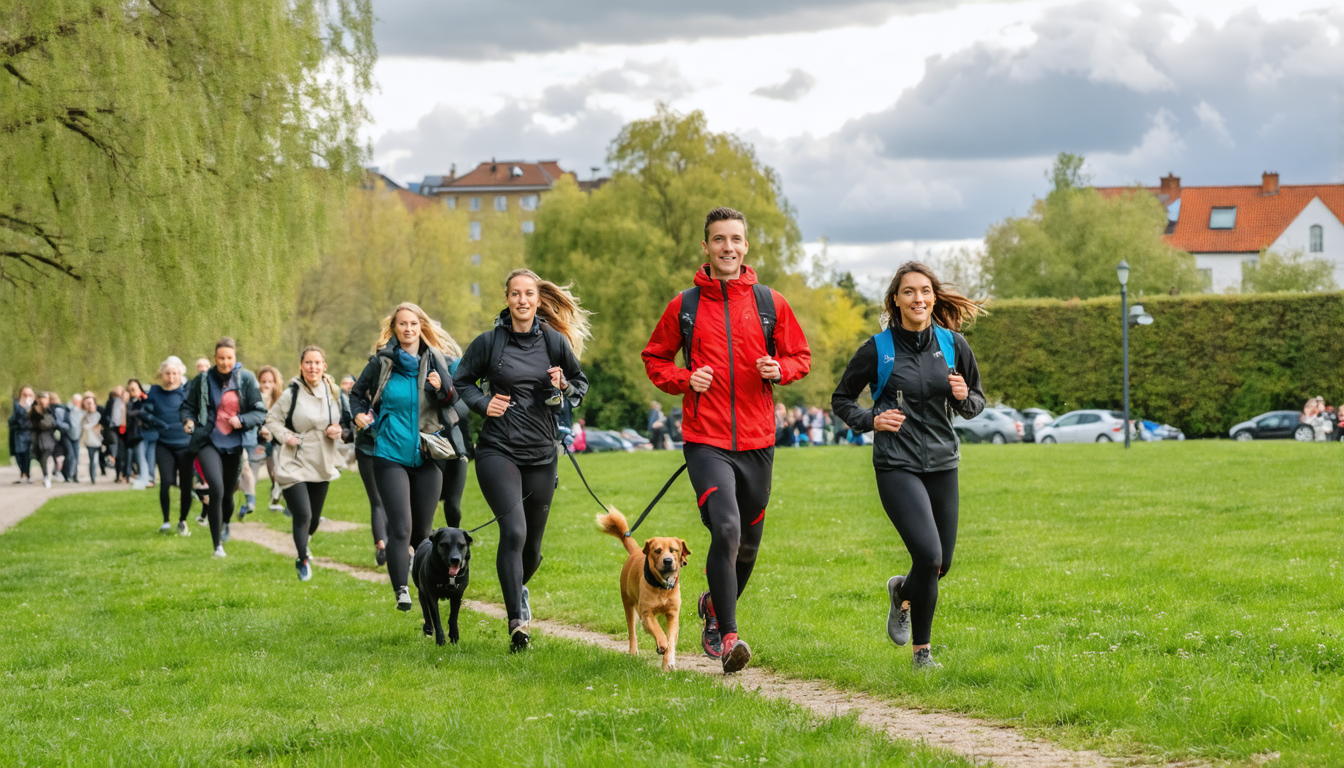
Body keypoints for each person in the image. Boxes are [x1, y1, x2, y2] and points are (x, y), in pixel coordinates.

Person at [641, 207, 812, 674]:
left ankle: (714, 605)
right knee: (728, 529)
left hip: (758, 440)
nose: (727, 247)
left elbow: (800, 356)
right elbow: (655, 358)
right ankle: (728, 634)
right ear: (706, 247)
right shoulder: (685, 306)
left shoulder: (770, 303)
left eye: (735, 239)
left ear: (746, 246)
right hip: (706, 439)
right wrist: (685, 379)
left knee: (749, 544)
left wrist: (781, 369)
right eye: (719, 239)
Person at [830, 261, 985, 670]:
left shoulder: (953, 345)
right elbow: (842, 399)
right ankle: (923, 655)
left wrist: (963, 396)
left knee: (940, 564)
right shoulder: (877, 349)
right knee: (929, 556)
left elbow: (976, 402)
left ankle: (902, 592)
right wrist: (872, 420)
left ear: (933, 297)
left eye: (925, 291)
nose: (919, 299)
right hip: (896, 464)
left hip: (943, 462)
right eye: (909, 292)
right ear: (895, 300)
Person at [454, 270, 590, 652]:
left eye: (528, 294)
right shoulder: (490, 342)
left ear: (537, 299)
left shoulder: (554, 342)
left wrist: (564, 384)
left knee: (532, 549)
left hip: (542, 454)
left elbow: (580, 386)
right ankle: (517, 624)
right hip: (498, 449)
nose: (522, 300)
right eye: (515, 294)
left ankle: (517, 590)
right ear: (507, 299)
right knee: (514, 532)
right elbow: (461, 381)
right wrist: (484, 404)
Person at [349, 303, 458, 610]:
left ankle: (423, 585)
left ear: (421, 327)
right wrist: (359, 415)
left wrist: (442, 388)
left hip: (427, 455)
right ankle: (401, 590)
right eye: (402, 324)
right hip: (389, 453)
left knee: (423, 532)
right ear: (394, 328)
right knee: (401, 528)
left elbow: (452, 400)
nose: (408, 329)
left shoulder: (436, 359)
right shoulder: (382, 362)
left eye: (413, 324)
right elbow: (356, 394)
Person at [181, 337, 268, 557]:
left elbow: (259, 412)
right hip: (207, 440)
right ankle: (217, 545)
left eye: (229, 358)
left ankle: (226, 522)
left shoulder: (246, 379)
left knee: (228, 494)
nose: (225, 362)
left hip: (235, 443)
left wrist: (242, 419)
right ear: (215, 358)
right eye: (221, 358)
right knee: (216, 489)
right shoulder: (202, 380)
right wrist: (188, 420)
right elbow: (188, 406)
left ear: (235, 357)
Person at [265, 346, 345, 581]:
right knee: (304, 514)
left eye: (317, 362)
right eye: (308, 362)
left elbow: (345, 422)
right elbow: (272, 419)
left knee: (314, 519)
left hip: (322, 460)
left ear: (324, 366)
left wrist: (338, 429)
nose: (313, 367)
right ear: (301, 366)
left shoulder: (333, 391)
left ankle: (304, 543)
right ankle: (302, 559)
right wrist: (286, 436)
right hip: (295, 460)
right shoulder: (292, 392)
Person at [145, 357, 193, 535]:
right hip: (164, 444)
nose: (171, 378)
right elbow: (144, 412)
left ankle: (183, 521)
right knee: (165, 482)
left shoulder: (186, 393)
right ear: (161, 375)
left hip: (185, 444)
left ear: (181, 375)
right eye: (167, 374)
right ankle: (166, 521)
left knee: (186, 484)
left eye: (175, 373)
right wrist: (152, 420)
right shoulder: (155, 392)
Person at [241, 365, 284, 519]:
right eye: (263, 381)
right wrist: (261, 429)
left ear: (276, 383)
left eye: (270, 382)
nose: (266, 385)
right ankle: (246, 503)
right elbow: (253, 418)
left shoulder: (280, 401)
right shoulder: (254, 399)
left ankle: (277, 500)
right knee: (251, 476)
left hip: (274, 443)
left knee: (276, 473)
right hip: (258, 442)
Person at [28, 393, 60, 488]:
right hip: (37, 438)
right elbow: (33, 424)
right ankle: (46, 475)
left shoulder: (50, 411)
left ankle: (50, 474)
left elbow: (51, 424)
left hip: (48, 438)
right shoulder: (33, 413)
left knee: (47, 456)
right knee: (40, 457)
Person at [125, 379, 151, 489]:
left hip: (147, 432)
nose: (133, 392)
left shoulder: (145, 401)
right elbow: (129, 413)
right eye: (130, 390)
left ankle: (146, 478)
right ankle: (144, 478)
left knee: (146, 457)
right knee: (140, 457)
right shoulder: (132, 403)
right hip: (137, 434)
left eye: (134, 389)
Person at [9, 386, 35, 484]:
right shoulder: (16, 406)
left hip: (30, 434)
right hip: (19, 434)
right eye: (25, 395)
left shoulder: (34, 406)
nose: (27, 397)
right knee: (19, 454)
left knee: (27, 455)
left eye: (29, 395)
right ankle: (23, 473)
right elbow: (11, 420)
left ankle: (27, 474)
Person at [77, 392, 104, 484]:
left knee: (100, 459)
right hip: (90, 441)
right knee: (92, 460)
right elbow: (83, 427)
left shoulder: (100, 415)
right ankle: (93, 478)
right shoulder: (84, 416)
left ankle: (101, 472)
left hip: (99, 441)